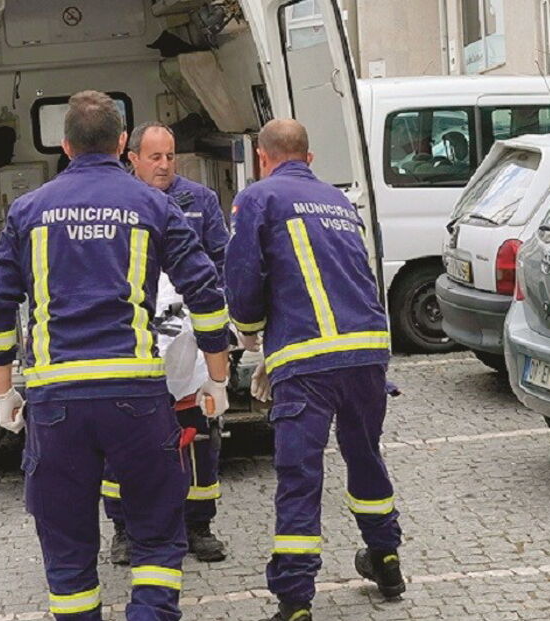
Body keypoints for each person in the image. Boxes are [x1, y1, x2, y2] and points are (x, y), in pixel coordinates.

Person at [0, 90, 231, 621]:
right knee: (159, 542)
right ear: (122, 144)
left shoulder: (28, 211)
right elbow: (205, 293)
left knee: (69, 557)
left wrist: (4, 393)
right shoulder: (153, 205)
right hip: (137, 397)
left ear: (66, 146)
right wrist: (217, 377)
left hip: (56, 403)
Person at [225, 119, 405, 621]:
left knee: (300, 475)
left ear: (263, 158)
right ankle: (386, 558)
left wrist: (250, 333)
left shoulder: (259, 198)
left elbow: (242, 273)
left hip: (307, 361)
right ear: (309, 157)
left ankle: (296, 597)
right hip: (367, 353)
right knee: (365, 457)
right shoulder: (339, 201)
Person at [102, 122, 231, 565]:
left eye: (171, 156)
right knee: (122, 441)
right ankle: (124, 529)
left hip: (189, 339)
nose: (164, 165)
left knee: (197, 434)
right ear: (131, 157)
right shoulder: (113, 201)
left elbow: (220, 262)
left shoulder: (199, 200)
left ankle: (199, 525)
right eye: (155, 157)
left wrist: (216, 321)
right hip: (132, 336)